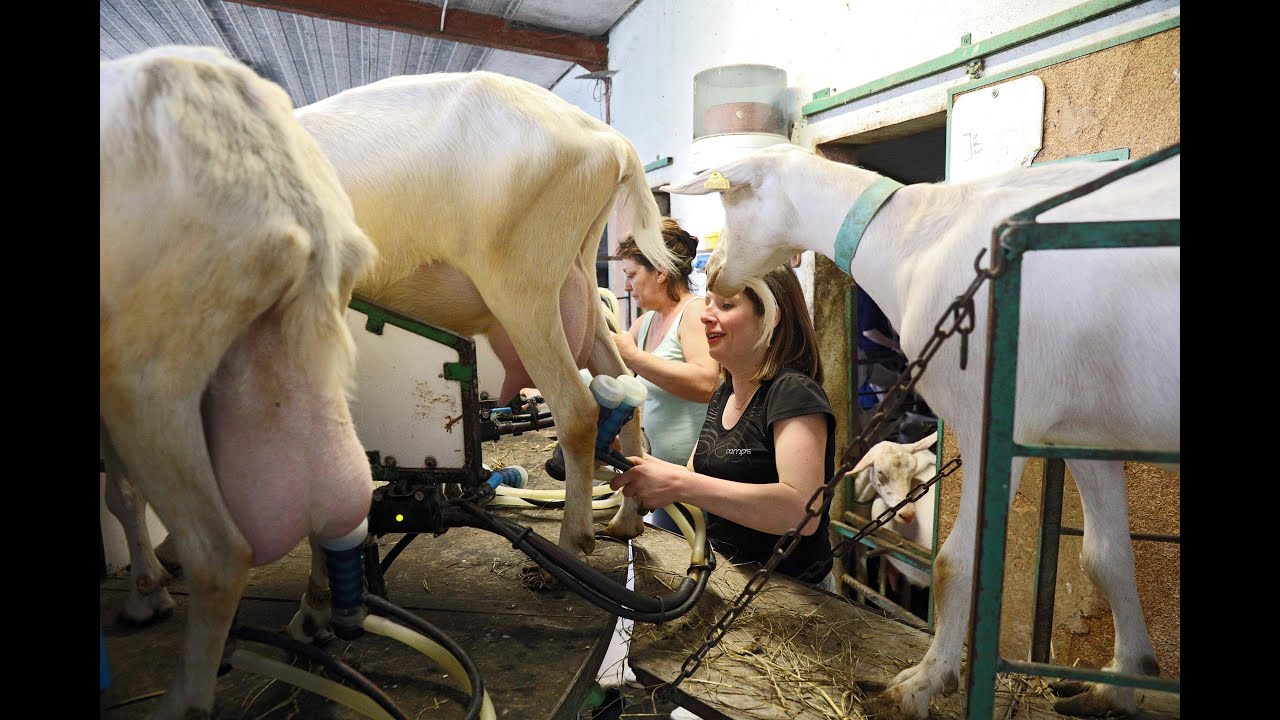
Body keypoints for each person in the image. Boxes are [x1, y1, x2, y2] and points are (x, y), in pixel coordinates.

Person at [610, 264, 837, 591]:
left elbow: (802, 510)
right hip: (729, 581)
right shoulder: (725, 394)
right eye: (709, 302)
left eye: (727, 305)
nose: (705, 315)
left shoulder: (792, 392)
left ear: (772, 316)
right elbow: (692, 478)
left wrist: (678, 484)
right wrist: (626, 459)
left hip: (791, 594)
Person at [612, 218, 720, 532]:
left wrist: (633, 356)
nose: (628, 286)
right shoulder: (646, 323)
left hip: (698, 481)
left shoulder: (694, 312)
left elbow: (706, 383)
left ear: (660, 272)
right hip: (661, 476)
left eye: (632, 275)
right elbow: (612, 369)